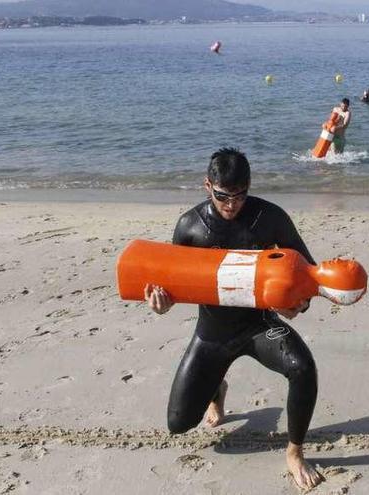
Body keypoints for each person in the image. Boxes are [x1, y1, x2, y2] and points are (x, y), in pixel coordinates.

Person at [145, 148, 325, 490]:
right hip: (212, 333)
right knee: (179, 424)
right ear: (207, 185)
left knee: (302, 367)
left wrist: (297, 306)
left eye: (240, 196)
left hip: (259, 326)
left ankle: (294, 453)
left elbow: (308, 277)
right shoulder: (189, 226)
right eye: (223, 196)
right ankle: (218, 387)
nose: (231, 205)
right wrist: (160, 304)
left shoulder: (270, 218)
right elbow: (172, 287)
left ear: (249, 187)